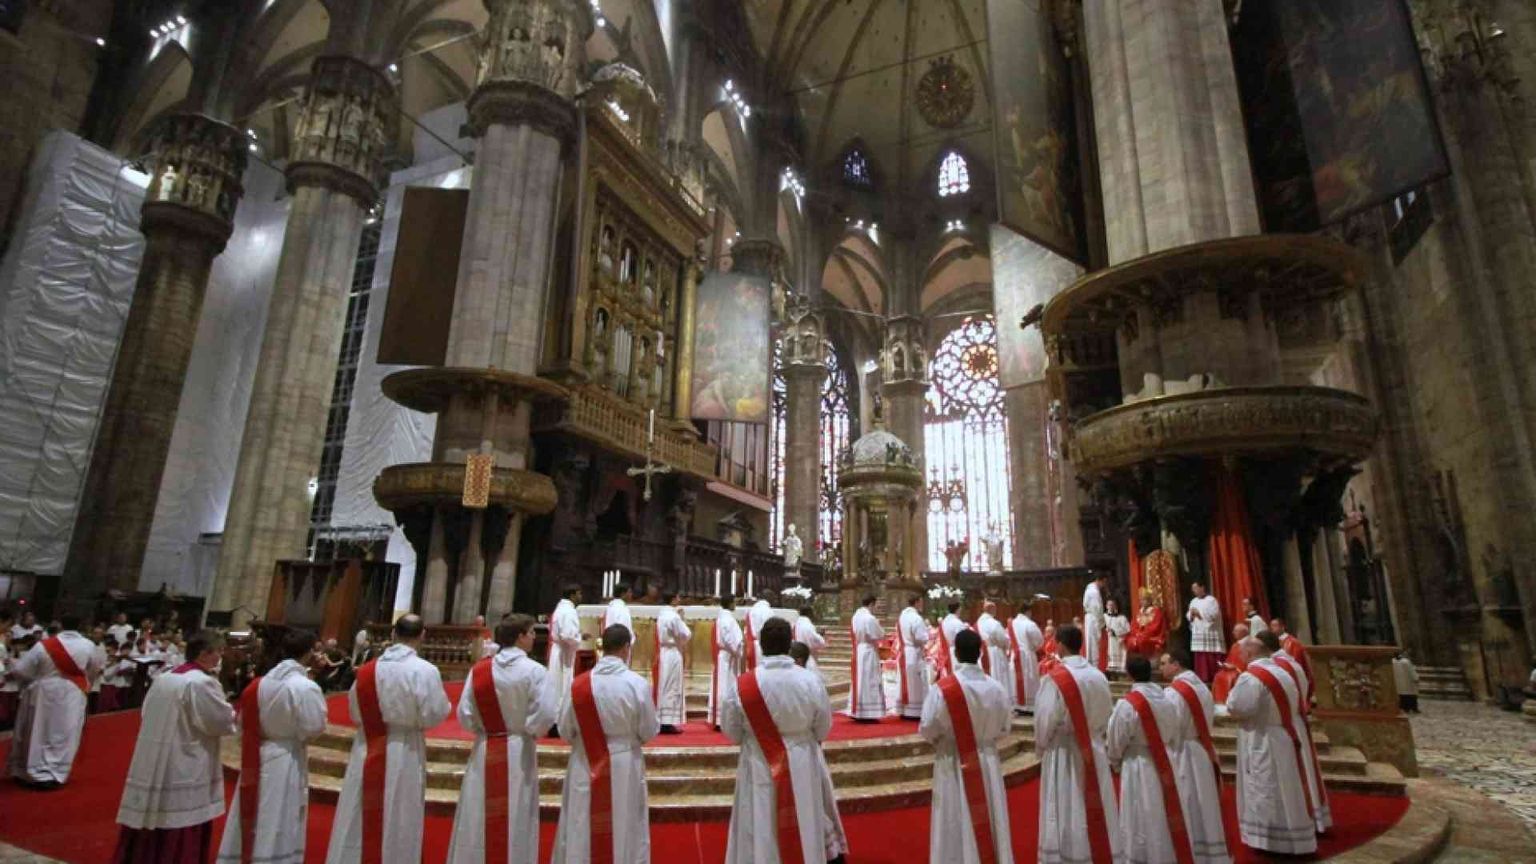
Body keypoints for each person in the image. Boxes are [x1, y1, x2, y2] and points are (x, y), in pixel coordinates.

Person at [325, 615, 452, 864]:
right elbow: (434, 713)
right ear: (422, 635)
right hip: (405, 747)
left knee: (359, 808)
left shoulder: (368, 670)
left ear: (394, 633)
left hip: (368, 744)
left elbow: (354, 710)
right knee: (400, 811)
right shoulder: (425, 671)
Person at [723, 617, 849, 863]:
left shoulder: (742, 685)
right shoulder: (810, 680)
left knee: (759, 820)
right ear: (790, 643)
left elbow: (732, 732)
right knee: (804, 818)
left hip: (758, 761)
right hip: (802, 760)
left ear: (761, 645)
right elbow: (823, 728)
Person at [114, 630, 236, 861]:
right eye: (218, 651)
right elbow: (218, 721)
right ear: (203, 653)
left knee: (154, 808)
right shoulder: (202, 683)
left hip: (156, 753)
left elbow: (146, 711)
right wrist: (231, 713)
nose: (221, 656)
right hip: (184, 757)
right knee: (180, 811)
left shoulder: (166, 677)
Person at [446, 615, 555, 864]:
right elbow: (545, 714)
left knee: (478, 810)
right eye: (531, 632)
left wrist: (486, 730)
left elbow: (465, 713)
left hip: (486, 746)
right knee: (516, 812)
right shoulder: (535, 671)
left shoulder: (480, 670)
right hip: (518, 748)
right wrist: (528, 730)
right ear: (520, 637)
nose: (534, 637)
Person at [216, 628, 329, 864]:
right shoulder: (305, 687)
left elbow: (242, 721)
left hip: (259, 752)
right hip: (286, 756)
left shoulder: (260, 683)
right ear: (309, 653)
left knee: (256, 811)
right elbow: (314, 726)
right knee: (278, 815)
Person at [551, 624, 659, 863]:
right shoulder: (636, 684)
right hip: (624, 761)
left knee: (581, 818)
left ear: (602, 647)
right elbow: (649, 729)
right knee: (625, 821)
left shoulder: (578, 685)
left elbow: (565, 729)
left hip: (585, 758)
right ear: (626, 648)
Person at [921, 629, 1013, 864]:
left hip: (953, 760)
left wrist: (943, 742)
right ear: (980, 652)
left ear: (956, 653)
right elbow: (1005, 728)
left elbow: (928, 727)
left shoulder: (943, 689)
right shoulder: (996, 688)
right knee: (989, 815)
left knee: (954, 816)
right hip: (987, 760)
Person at [1034, 623, 1121, 864]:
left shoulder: (1054, 679)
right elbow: (1107, 711)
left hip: (1064, 750)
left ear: (1060, 645)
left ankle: (1068, 854)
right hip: (1093, 746)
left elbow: (1045, 719)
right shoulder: (1098, 676)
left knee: (1067, 803)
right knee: (1093, 802)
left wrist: (1041, 747)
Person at [1226, 635, 1317, 855]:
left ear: (1250, 653)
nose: (1240, 657)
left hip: (1263, 737)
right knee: (1287, 786)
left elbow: (1238, 706)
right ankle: (1294, 835)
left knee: (1266, 786)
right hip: (1284, 734)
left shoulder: (1251, 677)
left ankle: (1270, 839)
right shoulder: (1282, 672)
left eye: (1241, 653)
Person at [1107, 656, 1198, 864]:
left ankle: (1141, 856)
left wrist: (1115, 761)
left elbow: (1117, 738)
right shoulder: (1166, 700)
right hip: (1165, 760)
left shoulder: (1127, 705)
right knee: (1163, 810)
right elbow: (1174, 732)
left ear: (1129, 675)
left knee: (1140, 811)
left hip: (1138, 762)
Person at [6, 614, 103, 786]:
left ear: (60, 625)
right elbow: (94, 669)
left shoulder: (44, 644)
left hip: (42, 692)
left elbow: (21, 670)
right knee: (64, 732)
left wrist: (35, 679)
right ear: (81, 625)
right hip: (72, 693)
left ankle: (28, 770)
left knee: (37, 730)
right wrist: (85, 685)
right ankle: (55, 773)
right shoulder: (88, 646)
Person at [1159, 652, 1231, 864]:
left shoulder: (1174, 693)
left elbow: (1171, 727)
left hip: (1183, 751)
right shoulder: (1202, 688)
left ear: (1176, 664)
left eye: (1164, 663)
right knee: (1205, 800)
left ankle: (1189, 848)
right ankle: (1209, 847)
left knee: (1187, 799)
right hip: (1202, 749)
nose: (1161, 667)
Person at [1264, 630, 1330, 833]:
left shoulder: (1276, 668)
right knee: (1305, 770)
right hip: (1296, 720)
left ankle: (1298, 820)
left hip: (1283, 724)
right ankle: (1313, 816)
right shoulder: (1291, 663)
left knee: (1291, 775)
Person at [653, 593, 691, 732]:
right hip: (673, 653)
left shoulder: (662, 615)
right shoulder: (673, 616)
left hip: (664, 652)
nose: (679, 600)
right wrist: (682, 619)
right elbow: (685, 634)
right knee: (672, 685)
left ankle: (663, 718)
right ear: (673, 599)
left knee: (665, 685)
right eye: (678, 598)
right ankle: (667, 722)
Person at [548, 585, 584, 722]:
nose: (581, 597)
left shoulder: (561, 608)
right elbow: (568, 635)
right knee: (563, 684)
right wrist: (578, 638)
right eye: (579, 594)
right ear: (572, 595)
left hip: (560, 650)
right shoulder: (569, 611)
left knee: (558, 684)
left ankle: (556, 718)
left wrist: (578, 635)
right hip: (564, 652)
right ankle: (560, 720)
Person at [847, 595, 886, 721]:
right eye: (876, 605)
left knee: (860, 680)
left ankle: (858, 710)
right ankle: (869, 712)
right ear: (871, 604)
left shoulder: (855, 616)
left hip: (859, 650)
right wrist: (882, 631)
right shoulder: (869, 618)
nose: (876, 608)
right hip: (869, 651)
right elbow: (878, 634)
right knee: (870, 680)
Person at [710, 595, 744, 730]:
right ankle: (722, 719)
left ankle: (725, 717)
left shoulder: (724, 617)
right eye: (734, 602)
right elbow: (728, 638)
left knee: (728, 684)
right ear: (730, 604)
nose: (735, 605)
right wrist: (737, 651)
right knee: (725, 685)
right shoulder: (726, 619)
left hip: (728, 655)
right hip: (728, 656)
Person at [897, 594, 930, 719]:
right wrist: (927, 635)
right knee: (915, 683)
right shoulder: (916, 618)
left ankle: (904, 709)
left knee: (906, 681)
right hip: (914, 652)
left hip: (904, 652)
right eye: (921, 602)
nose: (922, 604)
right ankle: (914, 711)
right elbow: (920, 637)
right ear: (916, 602)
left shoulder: (902, 617)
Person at [1269, 619, 1314, 705]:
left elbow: (1295, 661)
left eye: (1275, 626)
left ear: (1283, 627)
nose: (1272, 628)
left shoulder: (1292, 642)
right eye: (1271, 626)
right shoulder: (1275, 641)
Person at [1009, 605, 1045, 713]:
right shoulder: (1029, 624)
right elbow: (1039, 640)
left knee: (1017, 679)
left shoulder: (1011, 624)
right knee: (1029, 679)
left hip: (1015, 655)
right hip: (1027, 655)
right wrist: (1034, 648)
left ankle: (1018, 705)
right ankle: (1029, 707)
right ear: (1028, 611)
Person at [975, 601, 1013, 703]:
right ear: (991, 610)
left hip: (983, 653)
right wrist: (1007, 643)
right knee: (999, 676)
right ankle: (1001, 701)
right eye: (995, 609)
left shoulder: (978, 623)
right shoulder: (993, 623)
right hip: (995, 653)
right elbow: (1002, 639)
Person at [1186, 583, 1224, 684]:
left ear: (1202, 587)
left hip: (1210, 632)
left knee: (1210, 655)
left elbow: (1214, 615)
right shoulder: (1193, 601)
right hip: (1198, 632)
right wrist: (1191, 614)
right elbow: (1189, 615)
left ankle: (1214, 677)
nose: (1193, 590)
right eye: (1193, 588)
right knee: (1200, 655)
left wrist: (1199, 613)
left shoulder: (1211, 600)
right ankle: (1202, 677)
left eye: (1195, 588)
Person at [1210, 623, 1250, 705]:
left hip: (1241, 671)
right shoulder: (1235, 645)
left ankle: (1228, 702)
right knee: (1219, 675)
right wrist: (1225, 665)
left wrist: (1235, 667)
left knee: (1229, 677)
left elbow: (1248, 661)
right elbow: (1230, 660)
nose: (1233, 633)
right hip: (1232, 669)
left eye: (1236, 631)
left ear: (1243, 632)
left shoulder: (1249, 645)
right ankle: (1219, 702)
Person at [1124, 589, 1169, 658]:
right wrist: (1137, 633)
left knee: (1142, 641)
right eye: (1141, 600)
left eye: (1144, 600)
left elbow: (1155, 627)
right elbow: (1133, 625)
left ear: (1150, 600)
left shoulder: (1156, 612)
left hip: (1152, 637)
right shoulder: (1139, 613)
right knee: (1129, 640)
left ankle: (1145, 660)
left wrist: (1143, 633)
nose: (1142, 602)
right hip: (1139, 635)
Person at [1082, 576, 1108, 671]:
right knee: (1094, 644)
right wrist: (1102, 622)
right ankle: (1095, 666)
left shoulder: (1089, 589)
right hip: (1093, 618)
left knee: (1091, 643)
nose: (1104, 585)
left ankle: (1091, 665)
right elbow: (1097, 609)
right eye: (1104, 582)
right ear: (1100, 580)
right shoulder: (1094, 592)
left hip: (1090, 617)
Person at [793, 607, 826, 673]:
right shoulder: (807, 625)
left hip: (796, 655)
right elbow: (816, 640)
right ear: (809, 614)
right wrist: (820, 636)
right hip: (806, 657)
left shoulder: (796, 623)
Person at [939, 601, 967, 676]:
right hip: (958, 652)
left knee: (951, 675)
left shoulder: (944, 622)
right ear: (958, 609)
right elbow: (963, 639)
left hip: (947, 651)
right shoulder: (957, 623)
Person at [745, 596, 772, 671]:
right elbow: (770, 630)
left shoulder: (751, 610)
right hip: (763, 645)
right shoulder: (768, 611)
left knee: (752, 672)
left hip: (751, 644)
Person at [1105, 600, 1131, 674]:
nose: (1111, 607)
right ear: (1106, 606)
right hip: (1107, 641)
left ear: (1116, 606)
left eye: (1112, 605)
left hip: (1118, 640)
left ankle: (1120, 666)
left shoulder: (1122, 617)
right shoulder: (1104, 617)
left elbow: (1128, 629)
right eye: (1109, 605)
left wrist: (1115, 632)